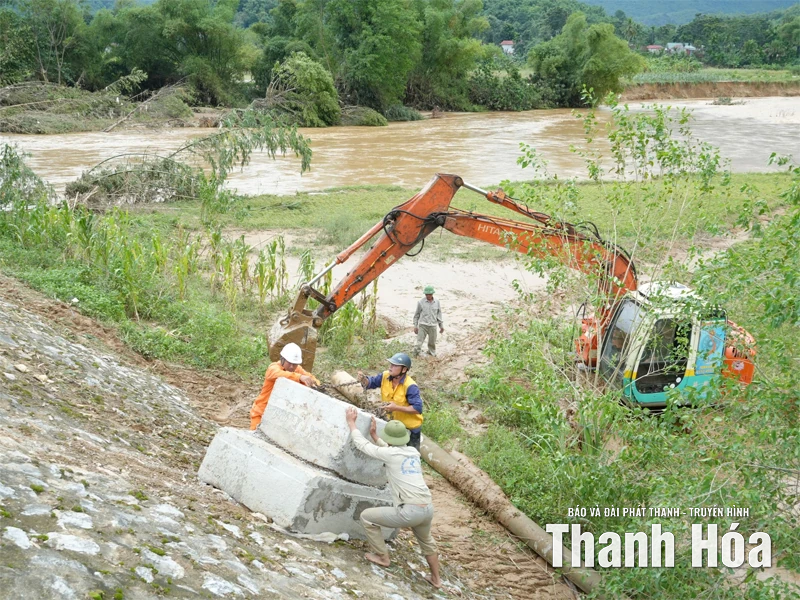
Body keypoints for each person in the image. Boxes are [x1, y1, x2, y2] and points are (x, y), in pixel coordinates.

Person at [345, 406, 441, 589]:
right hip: (427, 508)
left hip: (410, 511)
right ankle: (436, 579)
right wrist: (376, 437)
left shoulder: (390, 454)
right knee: (426, 541)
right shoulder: (413, 452)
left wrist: (352, 423)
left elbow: (362, 446)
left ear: (389, 439)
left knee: (367, 517)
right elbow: (392, 452)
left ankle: (382, 556)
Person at [358, 353, 423, 449]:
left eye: (395, 365)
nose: (390, 367)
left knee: (409, 457)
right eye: (391, 364)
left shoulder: (410, 386)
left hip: (409, 429)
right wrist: (364, 380)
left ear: (404, 370)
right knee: (390, 454)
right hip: (392, 425)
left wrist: (396, 408)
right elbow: (371, 383)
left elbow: (417, 408)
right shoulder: (385, 376)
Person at [249, 342, 318, 430]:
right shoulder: (273, 368)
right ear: (282, 359)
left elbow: (310, 377)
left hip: (278, 415)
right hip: (261, 413)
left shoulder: (297, 369)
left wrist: (316, 384)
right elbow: (280, 375)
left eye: (295, 364)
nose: (292, 367)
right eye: (289, 363)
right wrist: (299, 377)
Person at [413, 285, 443, 357]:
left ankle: (431, 356)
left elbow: (439, 315)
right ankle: (415, 355)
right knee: (419, 343)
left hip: (433, 326)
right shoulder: (420, 302)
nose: (428, 296)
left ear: (432, 294)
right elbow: (416, 315)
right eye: (426, 294)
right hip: (423, 325)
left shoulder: (437, 302)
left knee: (432, 344)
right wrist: (415, 326)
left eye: (429, 294)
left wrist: (441, 326)